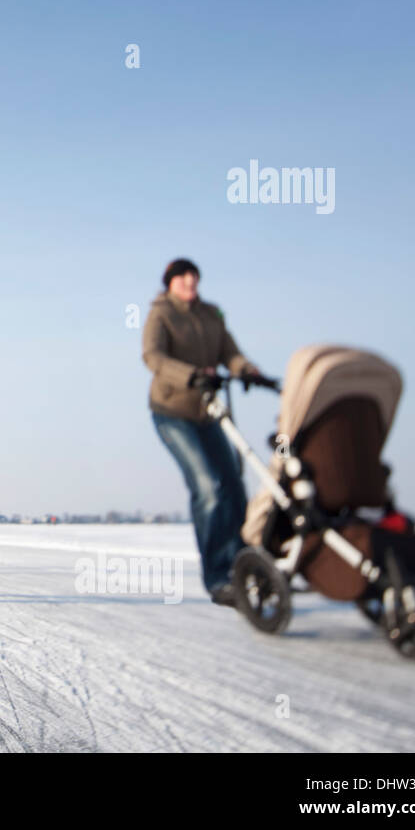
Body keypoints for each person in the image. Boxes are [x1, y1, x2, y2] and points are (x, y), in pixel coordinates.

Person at [142, 258, 261, 605]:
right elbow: (152, 356)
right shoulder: (161, 313)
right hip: (172, 412)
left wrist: (247, 371)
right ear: (170, 283)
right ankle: (217, 576)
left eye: (194, 276)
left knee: (235, 485)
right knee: (209, 486)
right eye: (183, 277)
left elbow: (230, 352)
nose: (190, 281)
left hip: (207, 412)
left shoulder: (212, 314)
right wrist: (193, 375)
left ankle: (245, 565)